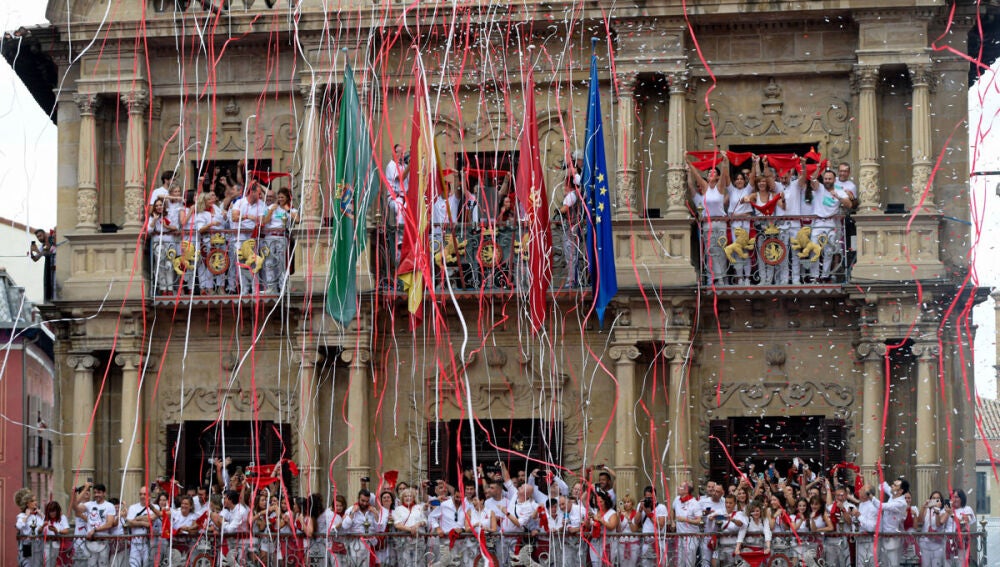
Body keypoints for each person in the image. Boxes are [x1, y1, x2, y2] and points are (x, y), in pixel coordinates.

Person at [689, 161, 731, 286]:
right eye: (709, 172)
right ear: (707, 177)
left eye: (714, 172)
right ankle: (711, 278)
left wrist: (724, 162)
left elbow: (724, 175)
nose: (711, 174)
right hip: (708, 223)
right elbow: (696, 175)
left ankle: (722, 278)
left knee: (722, 251)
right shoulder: (705, 187)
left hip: (720, 223)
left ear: (717, 177)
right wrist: (689, 163)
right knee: (710, 251)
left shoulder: (719, 188)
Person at [807, 170, 853, 282]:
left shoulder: (839, 191)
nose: (827, 181)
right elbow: (813, 180)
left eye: (829, 179)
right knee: (814, 248)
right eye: (826, 178)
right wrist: (817, 168)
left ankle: (825, 275)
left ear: (834, 179)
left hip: (830, 222)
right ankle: (814, 275)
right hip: (818, 222)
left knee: (828, 250)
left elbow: (850, 205)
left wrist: (838, 197)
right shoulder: (819, 188)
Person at [229, 182, 268, 294]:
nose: (260, 196)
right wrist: (247, 216)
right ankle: (244, 289)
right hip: (240, 237)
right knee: (241, 262)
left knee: (254, 262)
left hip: (253, 236)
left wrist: (252, 219)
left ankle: (255, 288)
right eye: (259, 193)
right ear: (252, 192)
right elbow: (234, 217)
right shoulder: (240, 202)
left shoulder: (261, 204)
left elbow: (261, 220)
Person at [260, 187, 297, 292]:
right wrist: (271, 211)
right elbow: (264, 222)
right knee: (269, 262)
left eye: (282, 197)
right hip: (270, 236)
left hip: (281, 237)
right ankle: (271, 286)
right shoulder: (271, 207)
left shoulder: (291, 209)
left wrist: (288, 209)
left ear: (287, 198)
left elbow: (298, 219)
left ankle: (282, 286)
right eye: (279, 197)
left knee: (281, 262)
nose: (280, 199)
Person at [80, 483, 117, 567]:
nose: (96, 495)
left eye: (99, 492)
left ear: (104, 493)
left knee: (103, 565)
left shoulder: (109, 506)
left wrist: (95, 530)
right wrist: (85, 488)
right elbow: (75, 507)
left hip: (103, 541)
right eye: (95, 492)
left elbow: (109, 524)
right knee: (91, 565)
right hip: (91, 542)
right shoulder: (89, 504)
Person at [147, 197, 179, 293]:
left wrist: (166, 226)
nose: (158, 207)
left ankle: (170, 288)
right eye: (156, 206)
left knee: (169, 264)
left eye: (160, 205)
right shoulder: (152, 217)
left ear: (163, 205)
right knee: (160, 265)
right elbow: (149, 230)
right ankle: (163, 288)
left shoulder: (169, 214)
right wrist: (154, 220)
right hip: (158, 242)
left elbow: (176, 227)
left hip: (169, 241)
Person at [727, 171, 754, 285]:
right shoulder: (732, 190)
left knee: (746, 250)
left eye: (741, 179)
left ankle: (747, 277)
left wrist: (754, 163)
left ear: (744, 180)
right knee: (737, 251)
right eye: (737, 179)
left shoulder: (747, 190)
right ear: (734, 181)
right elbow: (725, 177)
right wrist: (724, 162)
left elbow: (752, 179)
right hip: (735, 226)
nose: (739, 181)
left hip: (745, 225)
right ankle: (739, 277)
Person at [878, 477, 911, 567]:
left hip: (893, 538)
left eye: (895, 485)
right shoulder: (894, 495)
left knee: (893, 564)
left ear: (900, 491)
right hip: (884, 536)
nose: (892, 486)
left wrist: (870, 496)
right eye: (893, 484)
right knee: (884, 563)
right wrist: (878, 472)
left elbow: (881, 506)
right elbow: (884, 485)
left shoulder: (901, 503)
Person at [341, 489, 380, 567]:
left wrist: (376, 514)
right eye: (362, 500)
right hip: (355, 545)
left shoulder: (373, 510)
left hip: (369, 544)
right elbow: (344, 526)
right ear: (358, 498)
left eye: (367, 501)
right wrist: (352, 513)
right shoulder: (351, 509)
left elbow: (377, 529)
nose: (365, 503)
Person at [124, 485, 160, 567]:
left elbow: (152, 518)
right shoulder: (133, 507)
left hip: (149, 543)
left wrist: (138, 518)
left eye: (144, 494)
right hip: (135, 542)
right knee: (133, 564)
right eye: (140, 494)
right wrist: (143, 523)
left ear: (150, 496)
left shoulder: (156, 507)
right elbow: (128, 523)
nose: (142, 496)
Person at [557, 175, 583, 288]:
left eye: (564, 185)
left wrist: (557, 211)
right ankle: (573, 279)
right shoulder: (575, 195)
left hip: (570, 228)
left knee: (570, 255)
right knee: (572, 254)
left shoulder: (571, 196)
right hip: (574, 227)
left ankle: (571, 280)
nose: (563, 187)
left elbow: (565, 208)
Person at [673, 481, 702, 567]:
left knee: (689, 563)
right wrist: (672, 522)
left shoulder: (695, 503)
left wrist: (685, 520)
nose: (678, 487)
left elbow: (699, 521)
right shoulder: (676, 499)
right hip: (680, 537)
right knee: (679, 562)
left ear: (686, 490)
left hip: (691, 537)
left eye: (680, 486)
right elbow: (672, 509)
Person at [947, 488, 977, 567]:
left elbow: (963, 523)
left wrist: (952, 515)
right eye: (952, 497)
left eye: (957, 497)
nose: (954, 499)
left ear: (962, 498)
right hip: (947, 544)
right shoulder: (946, 510)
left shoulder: (967, 509)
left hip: (961, 544)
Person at [15, 488, 44, 567]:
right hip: (27, 545)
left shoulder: (38, 515)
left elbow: (45, 527)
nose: (35, 503)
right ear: (27, 503)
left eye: (36, 500)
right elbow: (19, 526)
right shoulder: (22, 516)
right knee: (27, 564)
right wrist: (27, 516)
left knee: (38, 565)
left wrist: (41, 515)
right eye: (33, 501)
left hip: (38, 546)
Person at [29, 228, 57, 301]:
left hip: (55, 267)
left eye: (40, 236)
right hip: (50, 268)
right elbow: (35, 259)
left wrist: (37, 251)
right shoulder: (43, 245)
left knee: (54, 287)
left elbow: (47, 252)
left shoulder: (50, 239)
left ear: (45, 234)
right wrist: (31, 252)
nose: (39, 238)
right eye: (37, 237)